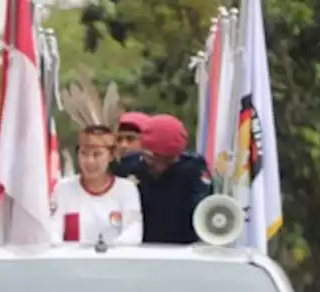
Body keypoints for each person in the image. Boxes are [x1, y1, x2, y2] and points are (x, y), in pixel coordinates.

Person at [52, 76, 142, 246]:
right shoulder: (63, 189)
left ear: (110, 155)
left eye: (97, 155)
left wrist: (106, 251)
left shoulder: (126, 189)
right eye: (84, 154)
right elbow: (53, 229)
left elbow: (133, 231)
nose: (89, 161)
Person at [114, 114, 213, 244]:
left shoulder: (193, 170)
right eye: (151, 159)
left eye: (166, 161)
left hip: (182, 248)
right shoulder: (129, 167)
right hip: (139, 247)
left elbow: (203, 212)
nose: (158, 166)